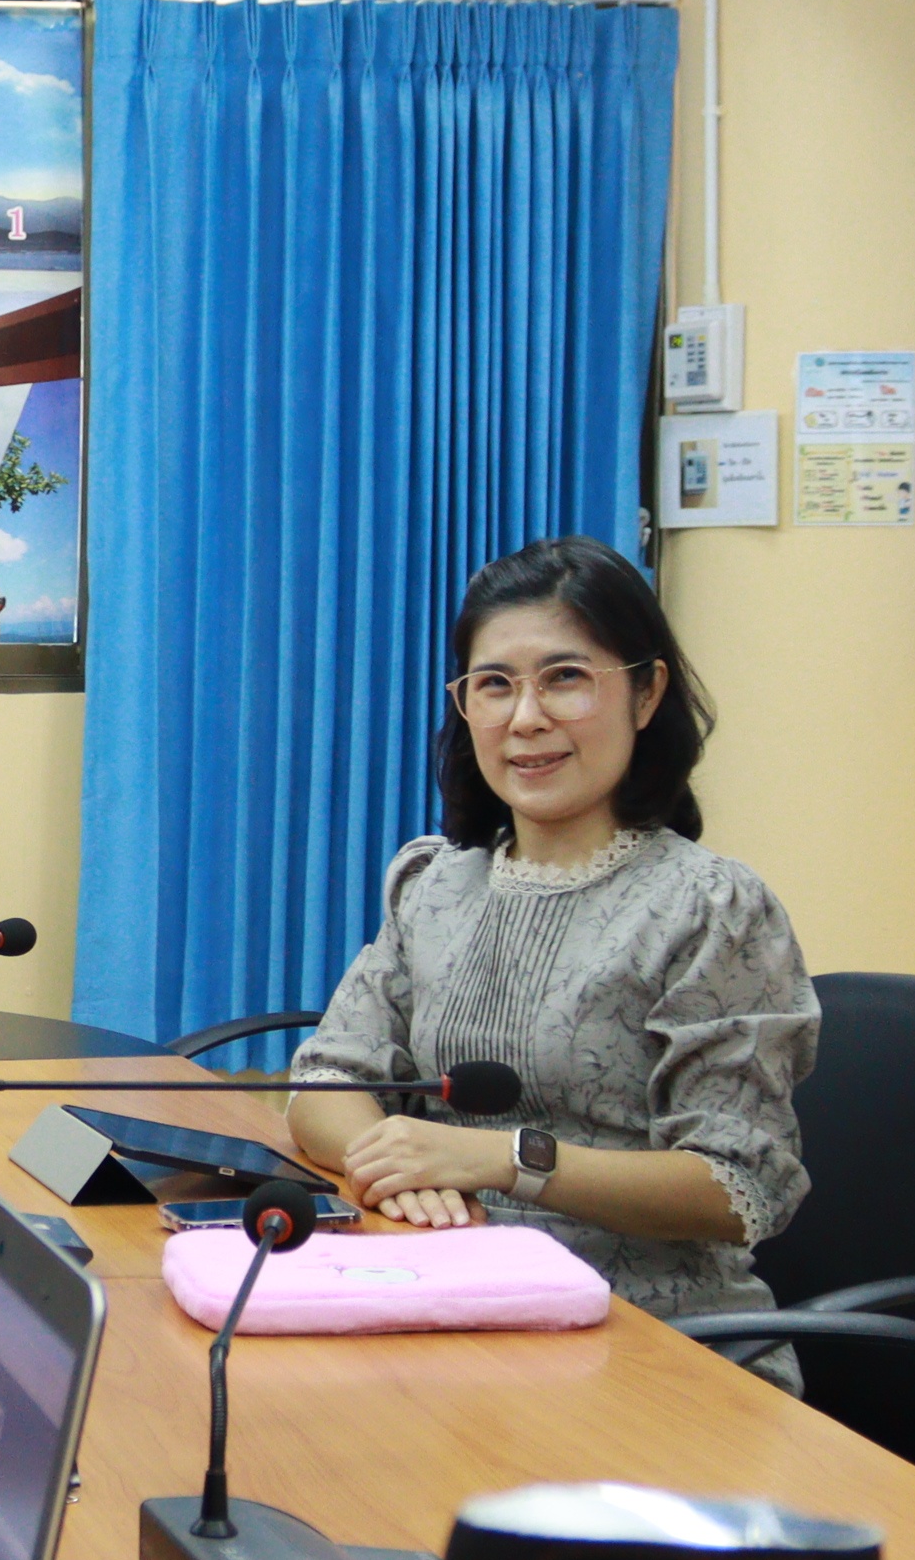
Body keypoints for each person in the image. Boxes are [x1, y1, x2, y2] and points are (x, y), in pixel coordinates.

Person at [285, 536, 817, 1378]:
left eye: (564, 678)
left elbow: (738, 1187)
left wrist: (509, 1162)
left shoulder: (710, 907)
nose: (525, 717)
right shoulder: (435, 882)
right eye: (494, 685)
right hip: (453, 1308)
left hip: (656, 1344)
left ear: (647, 693)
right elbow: (324, 1081)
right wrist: (393, 1163)